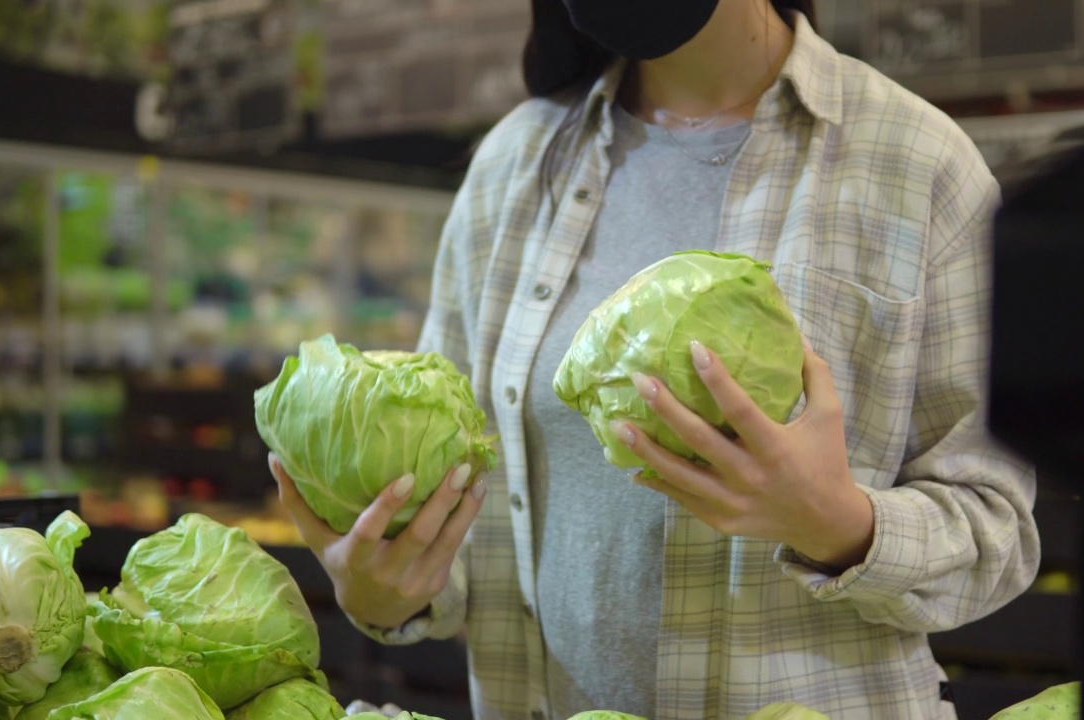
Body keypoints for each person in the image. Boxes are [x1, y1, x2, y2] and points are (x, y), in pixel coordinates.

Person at [267, 0, 1041, 718]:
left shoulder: (917, 164)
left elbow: (997, 532)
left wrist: (838, 522)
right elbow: (460, 510)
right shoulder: (516, 165)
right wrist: (383, 589)